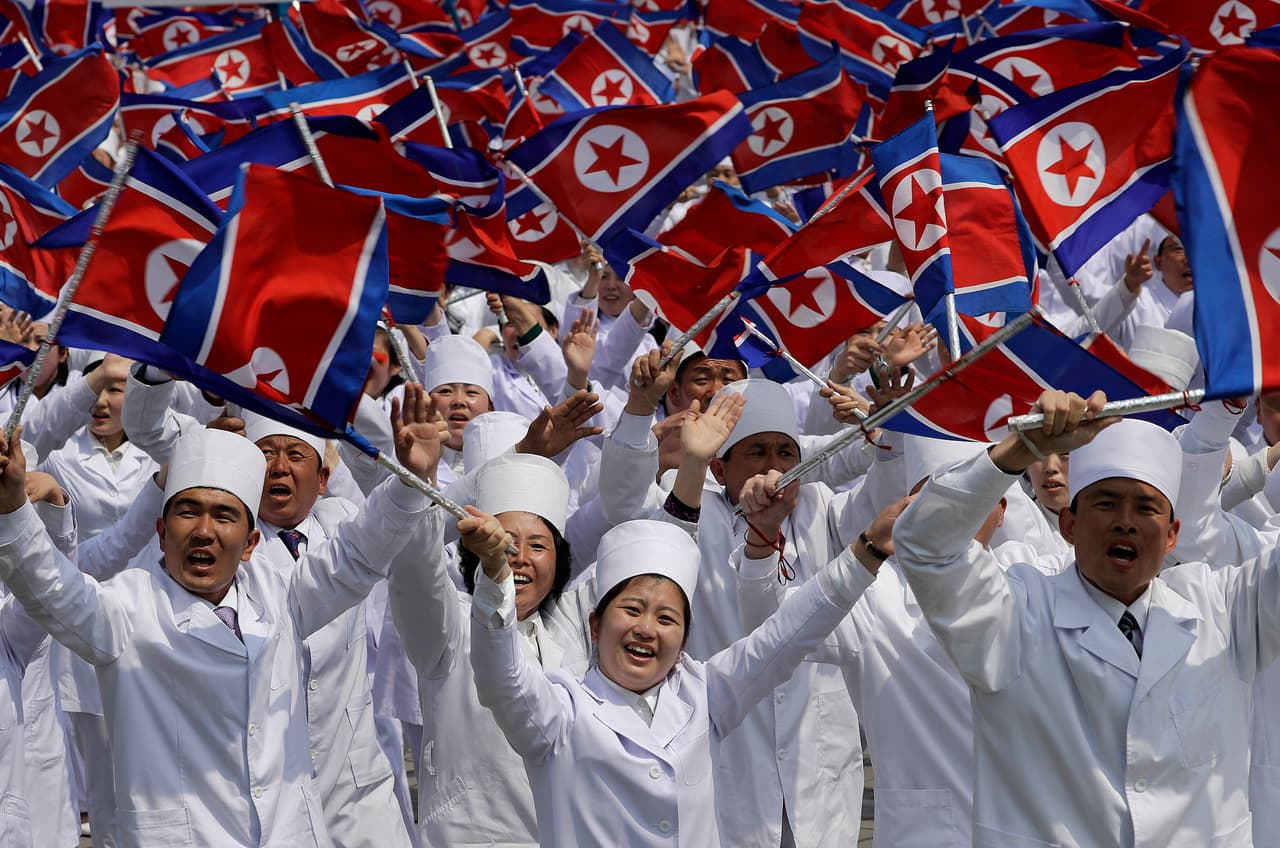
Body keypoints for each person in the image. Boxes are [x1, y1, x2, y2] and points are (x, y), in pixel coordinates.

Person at [0, 404, 442, 846]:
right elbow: (50, 589)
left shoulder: (281, 595)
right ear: (160, 529)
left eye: (224, 516)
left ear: (250, 543)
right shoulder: (125, 609)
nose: (204, 531)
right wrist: (14, 508)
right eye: (188, 512)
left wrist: (407, 485)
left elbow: (356, 556)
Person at [893, 389, 1264, 846]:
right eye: (1106, 503)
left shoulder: (1224, 609)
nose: (1125, 522)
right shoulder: (1015, 615)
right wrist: (1021, 448)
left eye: (1146, 507)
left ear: (1172, 536)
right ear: (1069, 525)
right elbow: (923, 545)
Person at [466, 516, 882, 848]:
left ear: (683, 640)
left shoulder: (705, 693)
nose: (646, 629)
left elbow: (785, 636)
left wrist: (865, 554)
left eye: (666, 619)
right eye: (631, 610)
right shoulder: (559, 711)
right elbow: (501, 677)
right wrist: (494, 577)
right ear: (595, 626)